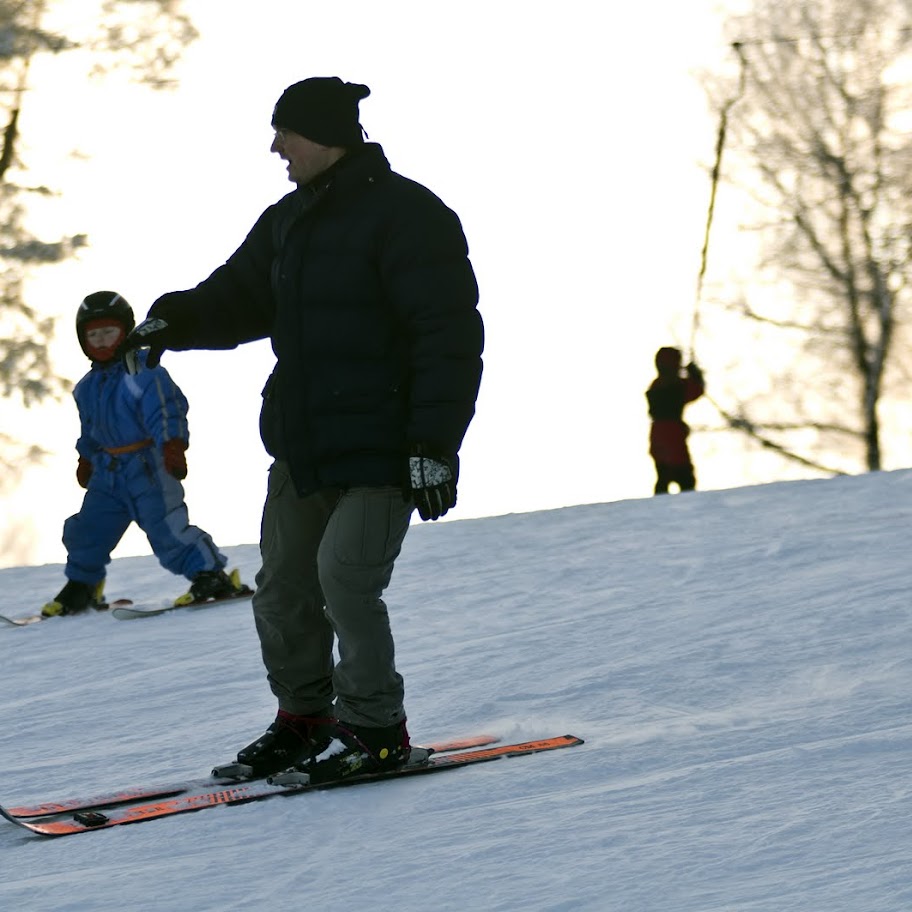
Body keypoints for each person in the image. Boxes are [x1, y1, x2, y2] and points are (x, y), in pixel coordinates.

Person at [120, 77, 484, 784]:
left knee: (344, 579)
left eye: (285, 133)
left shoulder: (410, 216)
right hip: (305, 443)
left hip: (386, 446)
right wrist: (176, 320)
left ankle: (377, 729)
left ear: (323, 135)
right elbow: (238, 296)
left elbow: (448, 336)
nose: (275, 147)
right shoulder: (289, 221)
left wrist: (434, 447)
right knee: (283, 589)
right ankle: (306, 720)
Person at [41, 291, 250, 617]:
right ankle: (81, 585)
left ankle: (210, 575)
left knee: (166, 527)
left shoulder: (144, 372)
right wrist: (86, 458)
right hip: (108, 471)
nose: (101, 341)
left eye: (108, 332)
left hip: (147, 466)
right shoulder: (86, 387)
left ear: (126, 331)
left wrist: (172, 446)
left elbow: (166, 410)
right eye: (92, 335)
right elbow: (90, 428)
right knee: (88, 530)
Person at [646, 346, 705, 495]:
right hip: (673, 436)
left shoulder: (656, 385)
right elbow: (696, 389)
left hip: (657, 437)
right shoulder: (676, 385)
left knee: (663, 477)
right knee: (685, 478)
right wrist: (695, 374)